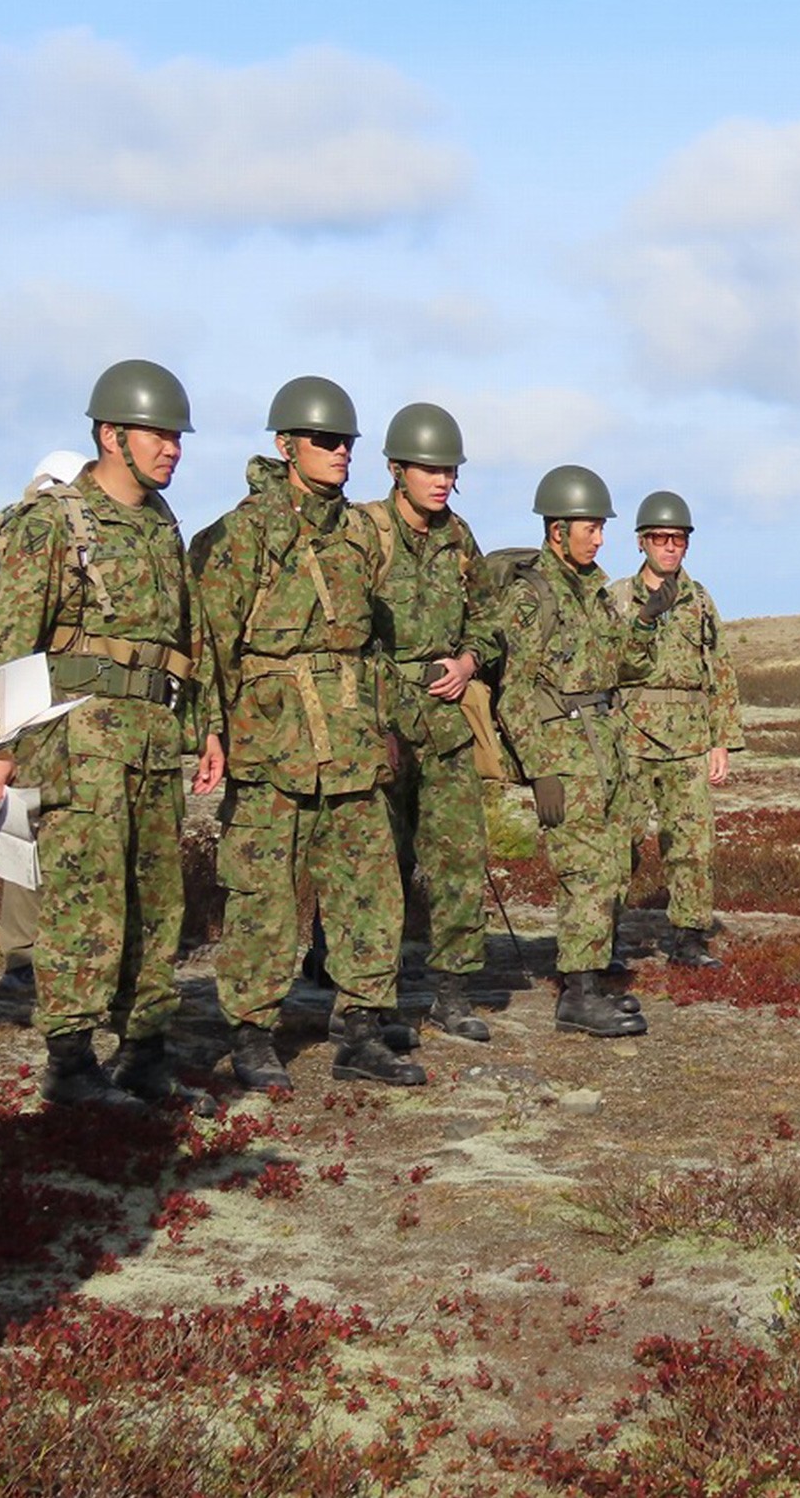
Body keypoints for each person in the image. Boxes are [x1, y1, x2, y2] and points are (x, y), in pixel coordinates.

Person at [0, 363, 222, 1108]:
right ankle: (72, 1061)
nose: (173, 449)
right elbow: (6, 642)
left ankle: (145, 1050)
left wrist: (206, 727)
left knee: (156, 901)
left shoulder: (161, 526)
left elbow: (190, 639)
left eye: (178, 437)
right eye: (160, 435)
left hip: (150, 741)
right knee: (87, 903)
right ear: (112, 435)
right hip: (80, 749)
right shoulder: (54, 523)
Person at [191, 376, 420, 1089]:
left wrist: (387, 725)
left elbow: (372, 643)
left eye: (347, 441)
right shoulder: (240, 533)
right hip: (272, 745)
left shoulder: (359, 534)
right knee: (264, 894)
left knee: (371, 890)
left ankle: (359, 1027)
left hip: (350, 742)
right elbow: (210, 646)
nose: (341, 452)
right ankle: (253, 1034)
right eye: (327, 440)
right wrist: (211, 733)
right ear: (286, 445)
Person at [360, 402, 499, 1044]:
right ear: (396, 470)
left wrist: (470, 660)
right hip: (381, 721)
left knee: (459, 858)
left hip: (445, 723)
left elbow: (491, 619)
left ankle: (452, 989)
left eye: (449, 470)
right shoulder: (364, 533)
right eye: (429, 469)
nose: (441, 480)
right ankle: (367, 992)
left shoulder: (460, 539)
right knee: (375, 862)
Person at [492, 465, 647, 1038]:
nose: (600, 538)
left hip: (605, 745)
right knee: (584, 870)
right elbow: (513, 690)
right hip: (562, 750)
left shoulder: (594, 592)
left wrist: (647, 624)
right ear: (558, 530)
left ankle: (595, 974)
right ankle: (578, 996)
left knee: (618, 862)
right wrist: (540, 772)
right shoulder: (530, 596)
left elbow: (622, 665)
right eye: (591, 528)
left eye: (602, 528)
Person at [0, 449, 91, 1001]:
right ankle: (32, 956)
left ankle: (24, 955)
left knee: (22, 828)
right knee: (44, 828)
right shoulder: (57, 534)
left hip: (15, 705)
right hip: (43, 704)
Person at [610, 490, 742, 969]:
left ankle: (688, 937)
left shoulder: (699, 600)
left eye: (678, 539)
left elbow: (720, 670)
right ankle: (604, 934)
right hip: (629, 737)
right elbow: (603, 667)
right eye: (661, 538)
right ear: (642, 541)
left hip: (687, 739)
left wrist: (721, 739)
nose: (670, 547)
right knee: (619, 841)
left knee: (692, 844)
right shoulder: (616, 599)